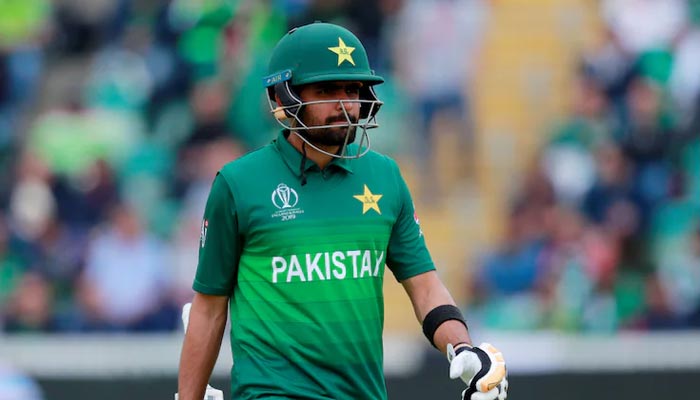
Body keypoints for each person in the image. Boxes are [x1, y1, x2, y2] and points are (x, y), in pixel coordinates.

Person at [177, 22, 508, 400]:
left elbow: (426, 287)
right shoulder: (239, 183)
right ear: (284, 97)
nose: (344, 104)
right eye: (326, 90)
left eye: (351, 90)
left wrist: (463, 348)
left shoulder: (384, 176)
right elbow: (208, 309)